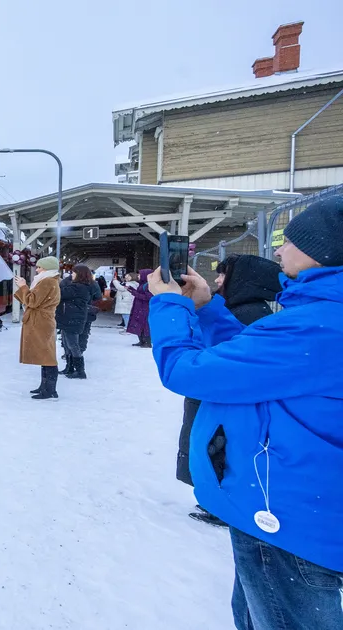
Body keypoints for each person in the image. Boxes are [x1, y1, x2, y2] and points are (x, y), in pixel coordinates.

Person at [147, 196, 343, 629]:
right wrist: (209, 308)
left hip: (290, 520)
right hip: (296, 508)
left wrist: (168, 304)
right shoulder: (317, 319)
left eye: (288, 241)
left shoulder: (318, 324)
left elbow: (186, 370)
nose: (276, 250)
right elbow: (252, 359)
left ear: (325, 250)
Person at [176, 253, 282, 528]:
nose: (218, 280)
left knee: (218, 450)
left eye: (224, 275)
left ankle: (220, 505)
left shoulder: (247, 313)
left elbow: (202, 361)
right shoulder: (237, 308)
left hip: (219, 396)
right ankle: (215, 499)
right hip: (215, 395)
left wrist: (172, 309)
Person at [13, 256, 61, 399]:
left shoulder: (47, 281)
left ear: (46, 268)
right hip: (42, 320)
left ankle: (50, 390)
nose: (37, 269)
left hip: (41, 321)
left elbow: (32, 301)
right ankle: (45, 386)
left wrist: (23, 286)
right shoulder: (48, 281)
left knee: (47, 356)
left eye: (39, 267)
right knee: (45, 355)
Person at [56, 264, 99, 379]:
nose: (72, 275)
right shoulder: (80, 286)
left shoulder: (78, 287)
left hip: (73, 318)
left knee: (72, 345)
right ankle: (70, 368)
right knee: (67, 343)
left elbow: (59, 295)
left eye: (74, 272)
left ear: (79, 274)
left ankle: (80, 371)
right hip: (70, 318)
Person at [125, 269, 153, 347]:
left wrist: (134, 293)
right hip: (140, 307)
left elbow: (148, 297)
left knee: (144, 325)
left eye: (140, 274)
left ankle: (147, 342)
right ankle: (142, 341)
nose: (138, 276)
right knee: (139, 323)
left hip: (144, 307)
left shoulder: (148, 285)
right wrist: (132, 290)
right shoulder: (143, 284)